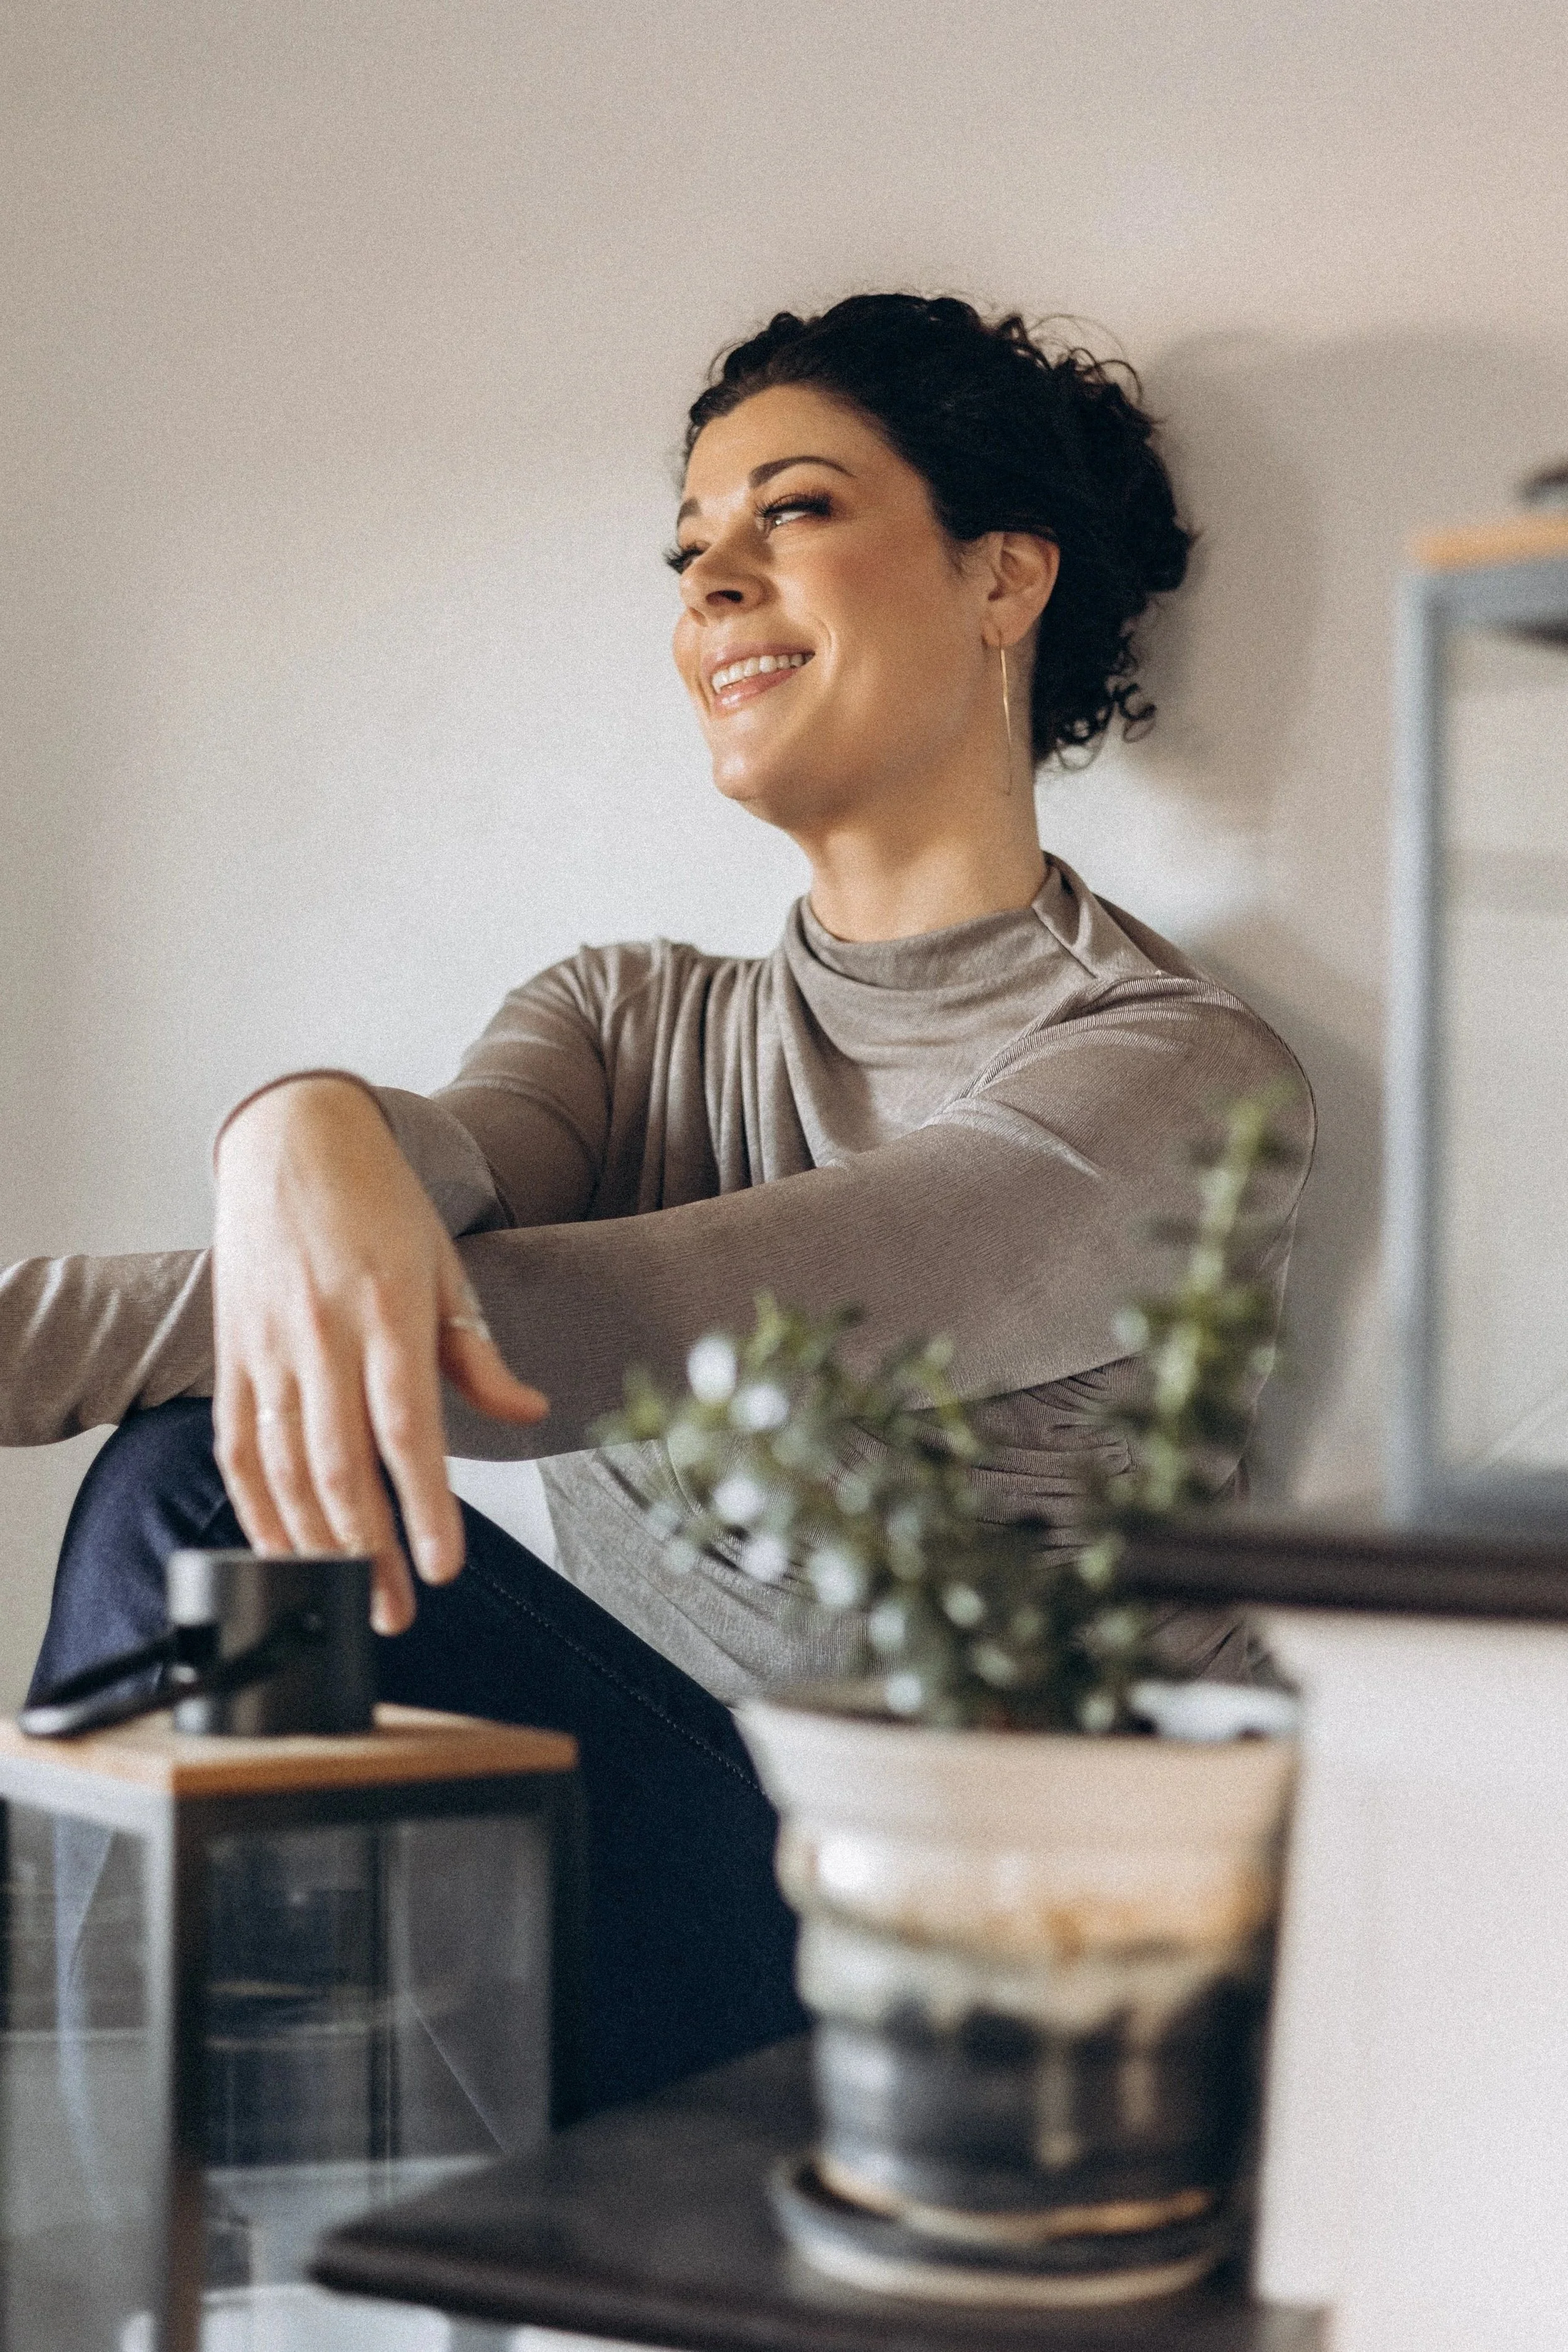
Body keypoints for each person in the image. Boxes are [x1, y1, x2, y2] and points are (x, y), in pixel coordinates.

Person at [1, 294, 1313, 2114]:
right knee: (206, 1512)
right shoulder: (620, 1018)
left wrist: (271, 1190)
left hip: (1012, 1964)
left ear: (1002, 577)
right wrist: (299, 1129)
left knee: (196, 1484)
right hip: (690, 1891)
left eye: (789, 513)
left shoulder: (1172, 1074)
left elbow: (580, 1339)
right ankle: (157, 2245)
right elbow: (416, 1186)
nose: (710, 583)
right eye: (690, 544)